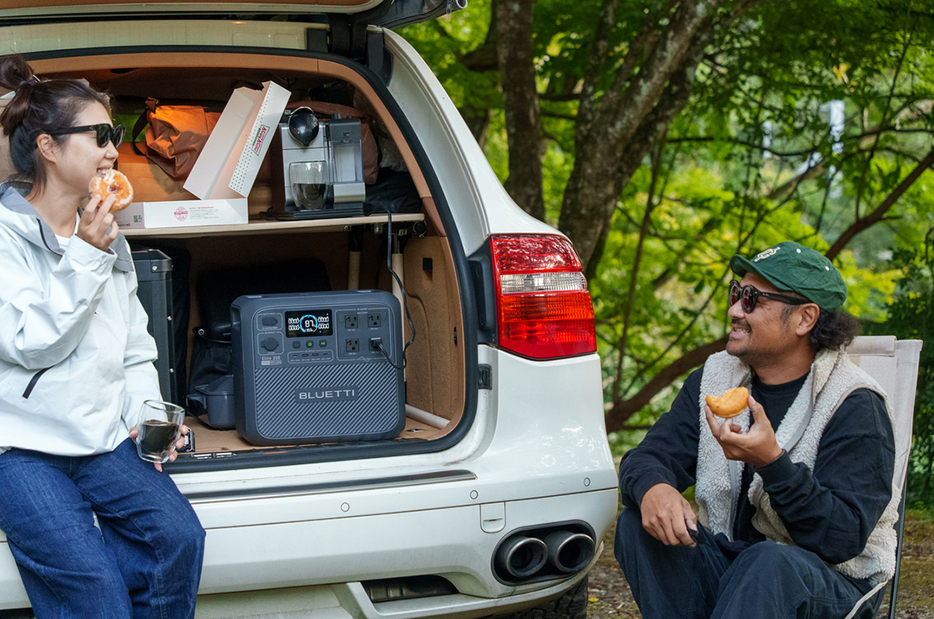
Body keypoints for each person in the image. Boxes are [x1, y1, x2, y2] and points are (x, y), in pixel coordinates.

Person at [0, 55, 205, 618]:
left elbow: (134, 344)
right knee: (93, 592)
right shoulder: (7, 237)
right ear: (48, 147)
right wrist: (86, 252)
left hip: (104, 440)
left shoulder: (107, 236)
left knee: (178, 539)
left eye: (114, 136)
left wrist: (149, 419)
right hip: (21, 450)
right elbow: (32, 342)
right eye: (100, 136)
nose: (114, 150)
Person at [615, 241, 899, 619]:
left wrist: (773, 465)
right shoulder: (715, 381)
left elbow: (842, 539)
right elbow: (647, 457)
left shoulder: (854, 405)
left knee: (768, 562)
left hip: (829, 585)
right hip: (736, 568)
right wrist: (654, 487)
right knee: (637, 523)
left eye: (752, 299)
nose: (734, 309)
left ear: (804, 318)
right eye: (736, 293)